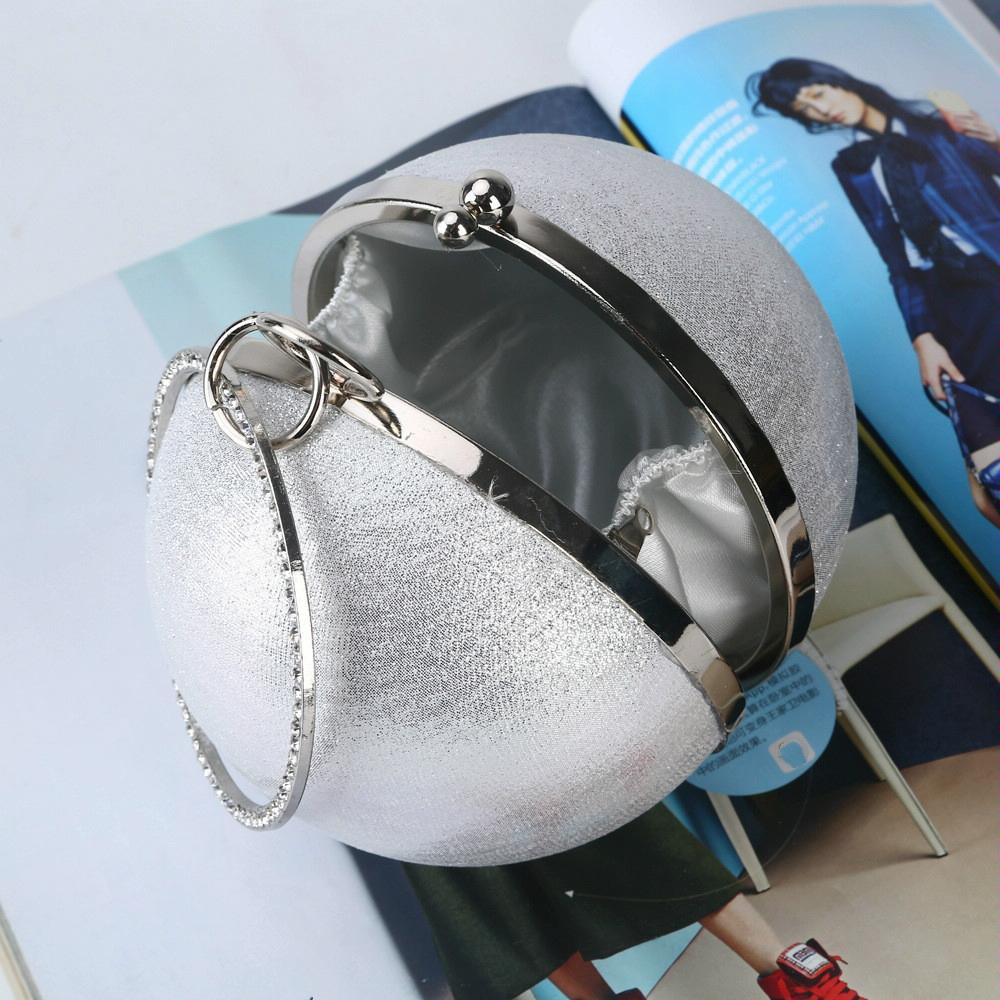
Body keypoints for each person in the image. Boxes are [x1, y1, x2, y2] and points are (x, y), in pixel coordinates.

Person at [746, 58, 1000, 526]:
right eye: (806, 110)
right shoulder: (853, 167)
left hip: (993, 276)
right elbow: (897, 261)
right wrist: (923, 339)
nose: (821, 110)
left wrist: (995, 141)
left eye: (817, 94)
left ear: (837, 81)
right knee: (990, 488)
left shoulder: (939, 125)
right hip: (952, 310)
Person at [403, 799, 869, 999]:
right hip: (375, 698)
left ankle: (801, 981)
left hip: (465, 646)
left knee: (600, 809)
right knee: (462, 857)